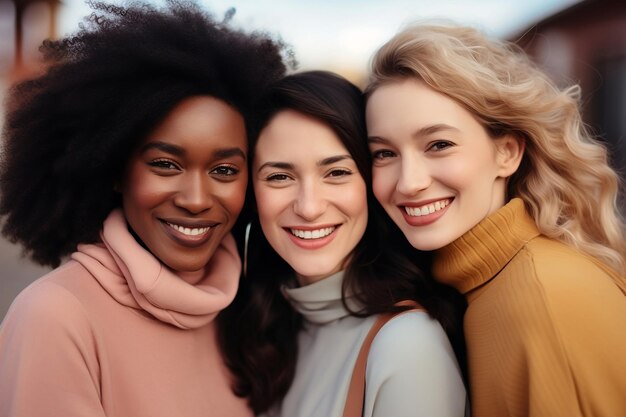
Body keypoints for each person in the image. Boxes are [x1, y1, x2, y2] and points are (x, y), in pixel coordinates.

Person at [0, 2, 288, 416]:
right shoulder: (55, 316)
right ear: (116, 169)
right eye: (166, 164)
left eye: (224, 169)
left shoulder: (248, 309)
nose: (195, 199)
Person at [364, 22, 626, 417]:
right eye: (384, 153)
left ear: (506, 152)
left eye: (439, 144)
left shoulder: (544, 299)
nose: (409, 182)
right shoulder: (482, 287)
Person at [218, 71, 467, 417]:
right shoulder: (269, 327)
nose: (309, 206)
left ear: (370, 183)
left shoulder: (407, 346)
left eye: (336, 173)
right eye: (279, 176)